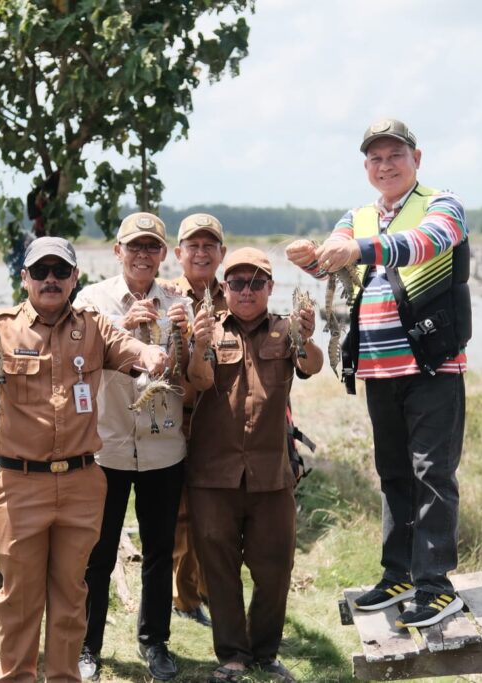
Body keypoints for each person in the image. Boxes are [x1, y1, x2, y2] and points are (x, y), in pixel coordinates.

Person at [0, 236, 169, 683]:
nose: (50, 279)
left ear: (74, 278)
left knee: (71, 595)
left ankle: (64, 677)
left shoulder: (94, 326)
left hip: (80, 482)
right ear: (25, 278)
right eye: (40, 271)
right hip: (20, 484)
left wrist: (152, 353)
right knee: (19, 599)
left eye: (60, 271)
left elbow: (131, 349)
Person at [286, 118, 470, 629]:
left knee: (432, 474)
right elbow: (332, 264)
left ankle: (436, 587)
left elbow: (427, 242)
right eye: (375, 158)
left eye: (395, 155)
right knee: (393, 473)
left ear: (417, 159)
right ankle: (398, 576)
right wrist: (308, 258)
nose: (385, 165)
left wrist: (360, 249)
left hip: (433, 365)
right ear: (366, 166)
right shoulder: (358, 216)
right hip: (379, 369)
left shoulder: (442, 204)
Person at [186, 248, 322, 683]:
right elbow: (196, 379)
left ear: (269, 287)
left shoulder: (286, 329)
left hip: (271, 474)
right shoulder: (207, 328)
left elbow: (313, 364)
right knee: (219, 569)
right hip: (213, 474)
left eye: (256, 282)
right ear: (224, 288)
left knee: (276, 568)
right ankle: (232, 656)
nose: (247, 291)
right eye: (238, 283)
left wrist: (307, 337)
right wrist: (199, 345)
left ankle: (264, 653)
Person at [73, 213, 195, 681]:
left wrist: (187, 336)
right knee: (98, 553)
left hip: (164, 448)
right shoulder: (91, 300)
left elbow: (189, 373)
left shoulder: (178, 302)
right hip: (107, 447)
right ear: (117, 251)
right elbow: (76, 359)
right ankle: (88, 647)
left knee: (159, 551)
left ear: (163, 254)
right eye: (134, 246)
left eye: (152, 247)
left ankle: (155, 642)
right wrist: (121, 327)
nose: (143, 255)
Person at [167, 212, 228, 629]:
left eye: (209, 245)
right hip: (178, 418)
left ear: (222, 252)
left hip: (222, 421)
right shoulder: (166, 296)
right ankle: (183, 597)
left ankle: (211, 589)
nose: (201, 253)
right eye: (194, 245)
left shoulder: (238, 292)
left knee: (219, 512)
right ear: (179, 253)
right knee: (181, 514)